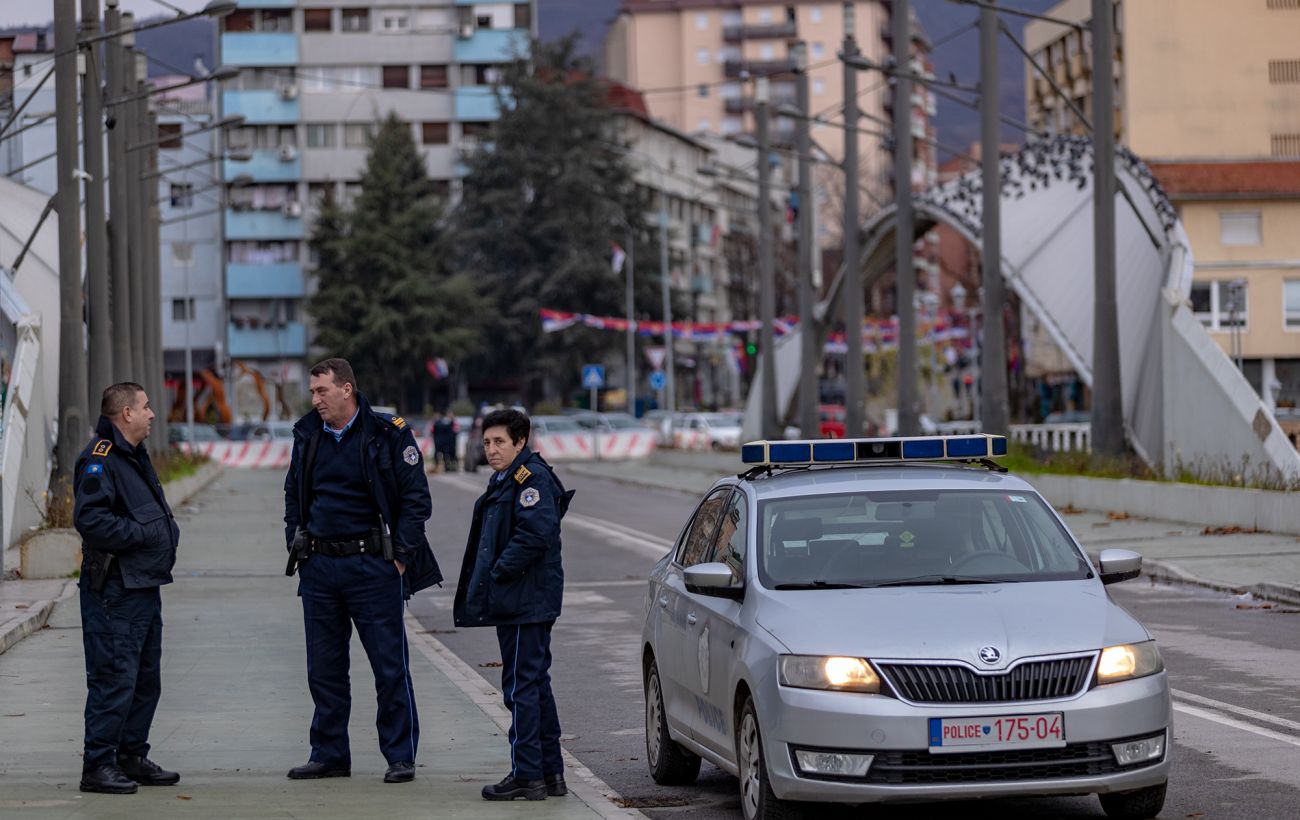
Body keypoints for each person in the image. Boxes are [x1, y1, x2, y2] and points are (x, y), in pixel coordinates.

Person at [283, 358, 441, 784]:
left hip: (372, 566)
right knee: (324, 669)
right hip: (319, 568)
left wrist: (401, 556)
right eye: (313, 392)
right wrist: (295, 544)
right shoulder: (307, 434)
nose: (315, 399)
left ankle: (400, 755)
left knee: (389, 666)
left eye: (322, 391)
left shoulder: (387, 432)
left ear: (347, 389)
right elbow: (293, 495)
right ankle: (329, 753)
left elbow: (415, 499)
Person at [453, 409, 574, 801]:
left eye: (499, 442)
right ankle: (550, 773)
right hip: (522, 599)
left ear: (520, 441)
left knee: (521, 687)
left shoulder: (530, 478)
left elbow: (536, 533)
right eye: (487, 442)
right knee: (535, 685)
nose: (491, 449)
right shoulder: (507, 478)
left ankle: (526, 775)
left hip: (526, 599)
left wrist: (499, 572)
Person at [73, 382, 181, 794]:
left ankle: (130, 755)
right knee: (114, 676)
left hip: (142, 585)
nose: (152, 414)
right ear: (126, 414)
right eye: (146, 406)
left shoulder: (132, 456)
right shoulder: (100, 458)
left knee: (145, 678)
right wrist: (141, 535)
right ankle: (98, 764)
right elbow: (92, 520)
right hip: (114, 590)